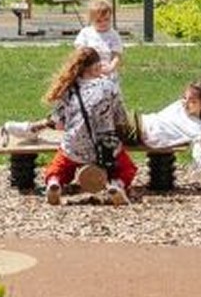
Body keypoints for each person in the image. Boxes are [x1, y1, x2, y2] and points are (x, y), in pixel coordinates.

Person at [12, 48, 135, 206]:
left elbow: (59, 123)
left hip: (75, 145)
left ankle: (54, 183)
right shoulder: (109, 86)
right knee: (127, 168)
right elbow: (120, 118)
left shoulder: (68, 90)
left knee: (58, 167)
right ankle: (117, 185)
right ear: (96, 67)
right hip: (106, 147)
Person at [138, 81, 201, 177]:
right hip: (142, 122)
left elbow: (200, 157)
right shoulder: (178, 105)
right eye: (185, 98)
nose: (186, 103)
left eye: (192, 101)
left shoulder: (196, 128)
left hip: (140, 131)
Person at [73, 0, 124, 80]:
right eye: (98, 21)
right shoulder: (86, 33)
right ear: (91, 20)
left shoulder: (113, 35)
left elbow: (117, 56)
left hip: (106, 71)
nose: (103, 23)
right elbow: (80, 51)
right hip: (89, 71)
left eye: (106, 19)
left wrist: (111, 67)